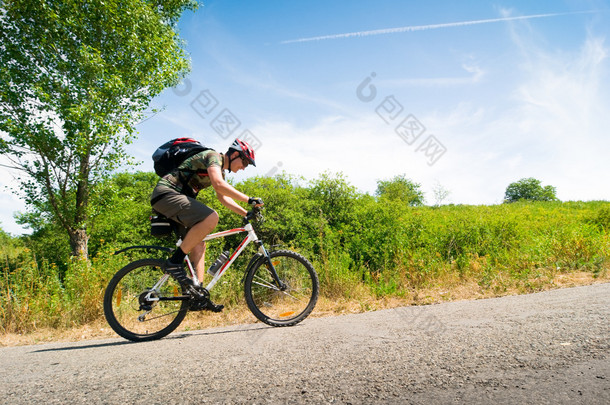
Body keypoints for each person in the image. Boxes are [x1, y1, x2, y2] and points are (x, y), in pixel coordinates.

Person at [150, 138, 263, 311]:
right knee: (211, 217)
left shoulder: (220, 170)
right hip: (167, 194)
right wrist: (249, 199)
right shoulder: (213, 157)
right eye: (245, 162)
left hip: (173, 199)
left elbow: (223, 197)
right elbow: (219, 185)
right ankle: (175, 262)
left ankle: (197, 294)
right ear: (234, 154)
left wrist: (245, 213)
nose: (244, 167)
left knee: (199, 245)